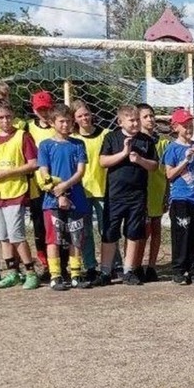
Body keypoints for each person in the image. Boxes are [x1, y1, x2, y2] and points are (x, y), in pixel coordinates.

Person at [97, 106, 159, 286]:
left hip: (137, 196)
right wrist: (123, 153)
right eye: (131, 120)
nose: (135, 123)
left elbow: (154, 165)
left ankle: (129, 271)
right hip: (115, 195)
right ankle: (106, 271)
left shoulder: (146, 140)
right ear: (120, 122)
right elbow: (102, 161)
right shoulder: (111, 138)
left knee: (134, 233)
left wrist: (140, 160)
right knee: (110, 233)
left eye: (137, 120)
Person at [37, 104, 91, 291]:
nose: (66, 125)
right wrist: (57, 192)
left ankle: (76, 273)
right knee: (54, 238)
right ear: (52, 122)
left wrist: (65, 188)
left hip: (76, 199)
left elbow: (80, 171)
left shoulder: (78, 144)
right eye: (61, 121)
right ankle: (56, 275)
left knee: (76, 237)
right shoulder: (45, 145)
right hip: (52, 200)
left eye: (68, 121)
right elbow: (44, 172)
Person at [0, 99, 39, 290]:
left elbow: (33, 163)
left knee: (16, 235)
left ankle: (31, 273)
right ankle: (12, 273)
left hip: (15, 192)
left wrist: (8, 173)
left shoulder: (22, 137)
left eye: (8, 116)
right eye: (0, 117)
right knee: (3, 237)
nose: (5, 120)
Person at [162, 108, 194, 285]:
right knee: (181, 235)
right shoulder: (172, 149)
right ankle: (179, 270)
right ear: (175, 127)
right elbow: (169, 175)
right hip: (180, 199)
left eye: (190, 125)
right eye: (185, 125)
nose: (189, 128)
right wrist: (185, 160)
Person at [71, 100, 115, 283]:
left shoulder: (106, 134)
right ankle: (90, 266)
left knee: (107, 229)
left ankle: (112, 265)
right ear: (75, 119)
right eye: (80, 116)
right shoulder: (73, 139)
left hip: (104, 188)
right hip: (82, 191)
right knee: (85, 232)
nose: (84, 118)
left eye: (86, 114)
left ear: (92, 114)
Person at [137, 103, 169, 282]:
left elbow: (166, 170)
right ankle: (136, 265)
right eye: (146, 117)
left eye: (152, 116)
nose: (150, 119)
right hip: (140, 193)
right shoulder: (134, 141)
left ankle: (152, 267)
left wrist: (167, 193)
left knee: (156, 231)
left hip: (158, 191)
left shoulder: (162, 143)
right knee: (141, 232)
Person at [26, 90, 57, 276]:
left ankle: (61, 263)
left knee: (58, 225)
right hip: (36, 185)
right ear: (34, 109)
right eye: (40, 109)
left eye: (46, 108)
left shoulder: (58, 126)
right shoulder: (28, 128)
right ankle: (45, 264)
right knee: (39, 226)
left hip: (57, 183)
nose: (43, 112)